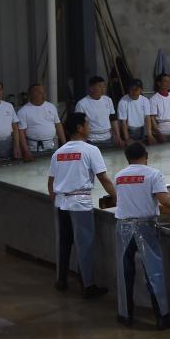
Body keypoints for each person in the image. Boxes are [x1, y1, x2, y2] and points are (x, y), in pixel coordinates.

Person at [113, 141, 170, 328]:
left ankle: (125, 315)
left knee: (124, 272)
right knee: (154, 273)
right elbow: (165, 200)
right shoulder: (153, 174)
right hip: (144, 227)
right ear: (146, 156)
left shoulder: (119, 176)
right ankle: (162, 317)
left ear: (127, 158)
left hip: (122, 227)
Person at [48, 112, 116, 298]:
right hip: (80, 203)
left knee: (64, 243)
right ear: (80, 128)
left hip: (61, 203)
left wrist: (57, 201)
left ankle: (61, 280)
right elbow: (104, 178)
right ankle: (88, 286)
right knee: (85, 244)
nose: (90, 127)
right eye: (87, 124)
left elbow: (50, 183)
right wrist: (118, 197)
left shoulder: (58, 153)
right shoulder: (90, 150)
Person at [17, 83, 65, 159]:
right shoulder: (23, 111)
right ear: (31, 94)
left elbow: (58, 125)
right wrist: (26, 151)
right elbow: (21, 133)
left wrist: (64, 144)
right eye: (39, 92)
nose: (43, 95)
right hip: (33, 149)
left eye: (43, 92)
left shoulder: (51, 107)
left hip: (51, 147)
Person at [76, 76, 122, 148]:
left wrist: (117, 135)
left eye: (104, 86)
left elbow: (113, 119)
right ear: (91, 88)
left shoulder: (108, 100)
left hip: (108, 138)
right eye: (100, 86)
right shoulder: (82, 104)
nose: (103, 88)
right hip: (91, 140)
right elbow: (79, 124)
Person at [0, 79, 21, 160]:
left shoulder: (8, 106)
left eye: (0, 90)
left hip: (7, 145)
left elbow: (15, 128)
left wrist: (17, 146)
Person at [117, 79, 153, 144]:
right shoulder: (123, 102)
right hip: (129, 130)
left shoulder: (145, 100)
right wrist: (127, 138)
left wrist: (150, 135)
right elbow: (123, 122)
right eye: (131, 89)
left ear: (141, 90)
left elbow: (148, 118)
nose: (133, 92)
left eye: (136, 89)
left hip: (141, 129)